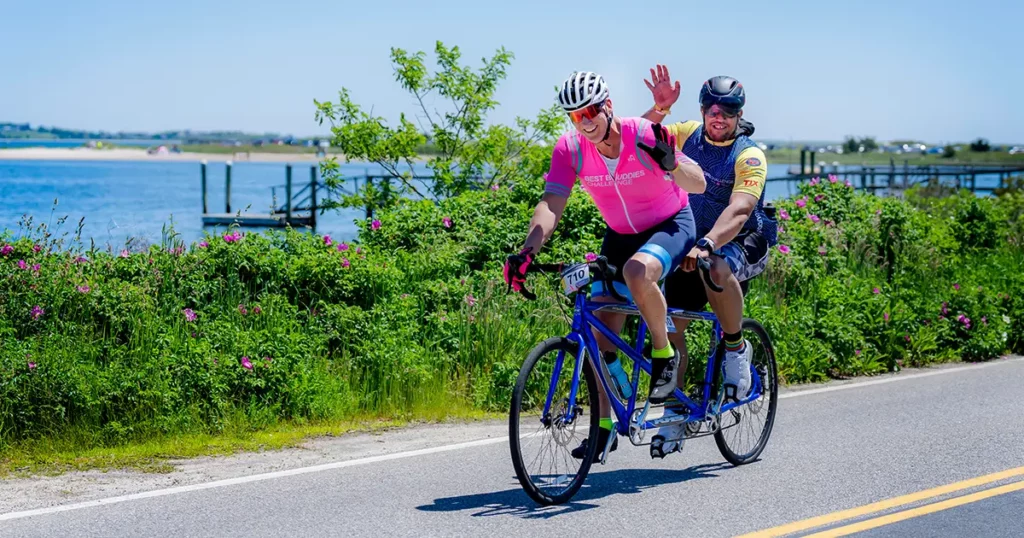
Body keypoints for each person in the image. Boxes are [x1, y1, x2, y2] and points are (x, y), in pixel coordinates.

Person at [503, 71, 706, 461]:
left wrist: (670, 163)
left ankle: (664, 357)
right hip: (620, 237)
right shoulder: (571, 149)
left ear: (608, 106)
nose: (586, 121)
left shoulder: (643, 133)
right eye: (577, 116)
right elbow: (551, 203)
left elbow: (697, 184)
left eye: (592, 110)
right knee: (598, 338)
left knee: (636, 272)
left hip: (671, 224)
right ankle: (605, 427)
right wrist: (527, 250)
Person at [638, 65, 778, 457]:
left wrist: (707, 242)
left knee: (717, 267)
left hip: (743, 239)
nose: (720, 117)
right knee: (671, 329)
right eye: (713, 110)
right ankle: (677, 411)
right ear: (702, 111)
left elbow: (739, 210)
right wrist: (659, 109)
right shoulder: (685, 135)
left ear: (739, 115)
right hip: (691, 244)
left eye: (729, 111)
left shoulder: (748, 155)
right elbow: (637, 140)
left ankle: (735, 350)